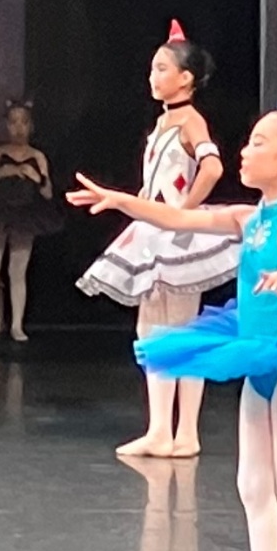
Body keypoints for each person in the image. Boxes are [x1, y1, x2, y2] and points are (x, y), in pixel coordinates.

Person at [77, 95, 277, 551]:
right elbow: (176, 216)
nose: (245, 151)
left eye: (258, 143)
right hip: (257, 356)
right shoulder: (248, 217)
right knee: (252, 484)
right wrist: (120, 200)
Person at [75, 28, 237, 459]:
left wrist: (185, 211)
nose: (153, 76)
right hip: (155, 227)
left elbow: (213, 167)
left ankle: (179, 432)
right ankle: (165, 429)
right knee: (155, 327)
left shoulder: (191, 120)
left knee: (178, 327)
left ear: (186, 78)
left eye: (162, 68)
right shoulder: (166, 121)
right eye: (152, 68)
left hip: (175, 233)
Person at [0, 101, 60, 347]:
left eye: (23, 123)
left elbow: (48, 193)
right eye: (13, 123)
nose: (18, 128)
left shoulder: (37, 156)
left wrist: (36, 177)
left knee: (17, 273)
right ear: (7, 126)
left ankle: (17, 325)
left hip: (24, 217)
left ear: (30, 126)